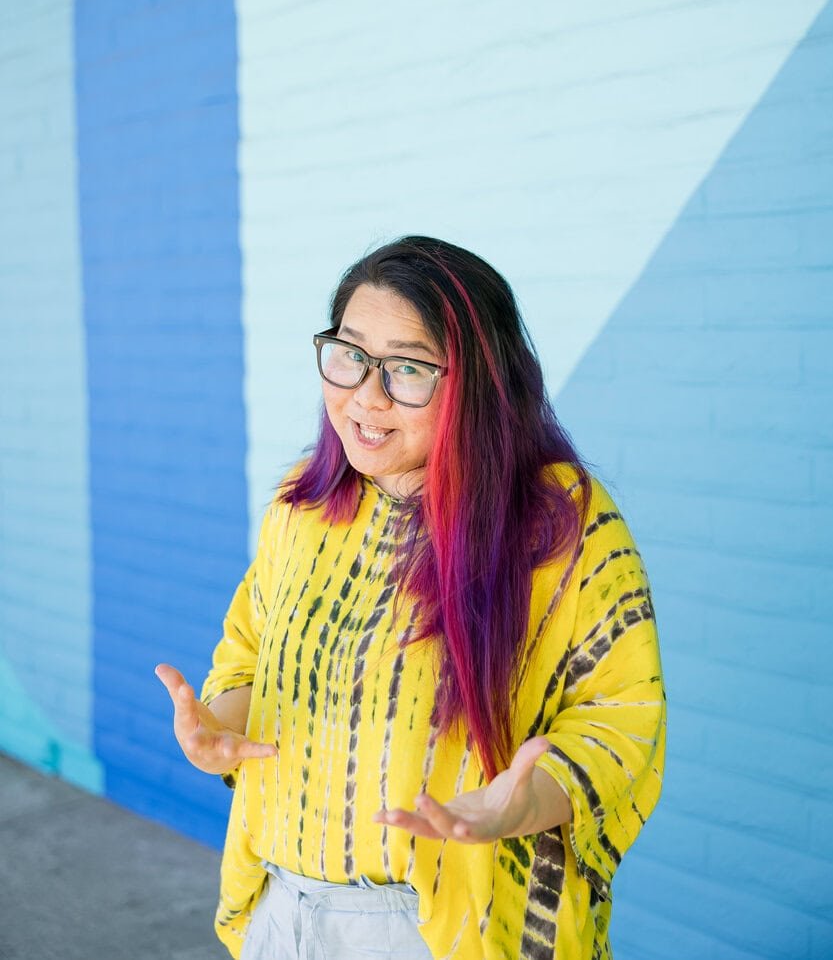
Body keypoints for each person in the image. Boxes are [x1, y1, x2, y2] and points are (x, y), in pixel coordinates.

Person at [156, 235, 665, 960]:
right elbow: (249, 659)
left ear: (479, 382)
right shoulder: (301, 506)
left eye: (408, 369)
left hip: (437, 929)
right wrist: (220, 725)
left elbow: (619, 721)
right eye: (350, 354)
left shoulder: (560, 522)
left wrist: (525, 802)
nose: (366, 395)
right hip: (282, 910)